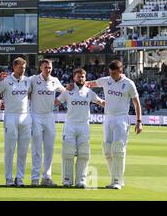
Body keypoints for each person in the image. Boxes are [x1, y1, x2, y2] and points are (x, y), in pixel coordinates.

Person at [85, 60, 143, 189]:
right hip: (108, 118)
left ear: (121, 71)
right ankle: (116, 179)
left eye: (114, 73)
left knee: (118, 149)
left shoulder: (129, 84)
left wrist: (139, 122)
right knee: (107, 150)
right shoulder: (106, 80)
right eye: (110, 72)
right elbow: (89, 84)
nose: (111, 75)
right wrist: (74, 84)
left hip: (121, 119)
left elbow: (136, 103)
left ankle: (117, 181)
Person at [55, 68, 105, 188]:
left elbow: (101, 102)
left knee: (83, 154)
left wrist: (117, 101)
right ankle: (67, 180)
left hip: (84, 126)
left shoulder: (89, 92)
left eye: (83, 76)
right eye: (78, 76)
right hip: (70, 125)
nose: (81, 78)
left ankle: (81, 180)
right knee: (68, 153)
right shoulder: (68, 91)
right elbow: (56, 102)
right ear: (74, 78)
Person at [29, 59, 65, 187]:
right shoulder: (33, 79)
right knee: (36, 149)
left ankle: (46, 177)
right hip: (36, 116)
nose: (48, 69)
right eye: (45, 67)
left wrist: (59, 100)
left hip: (49, 116)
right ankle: (34, 178)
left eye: (49, 67)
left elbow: (65, 92)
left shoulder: (55, 80)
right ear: (40, 68)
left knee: (49, 149)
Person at [0, 57, 32, 187]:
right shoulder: (6, 81)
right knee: (10, 149)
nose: (23, 69)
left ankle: (20, 178)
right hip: (11, 116)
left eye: (24, 67)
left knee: (23, 150)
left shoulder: (28, 81)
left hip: (25, 116)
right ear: (14, 67)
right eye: (20, 67)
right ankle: (8, 178)